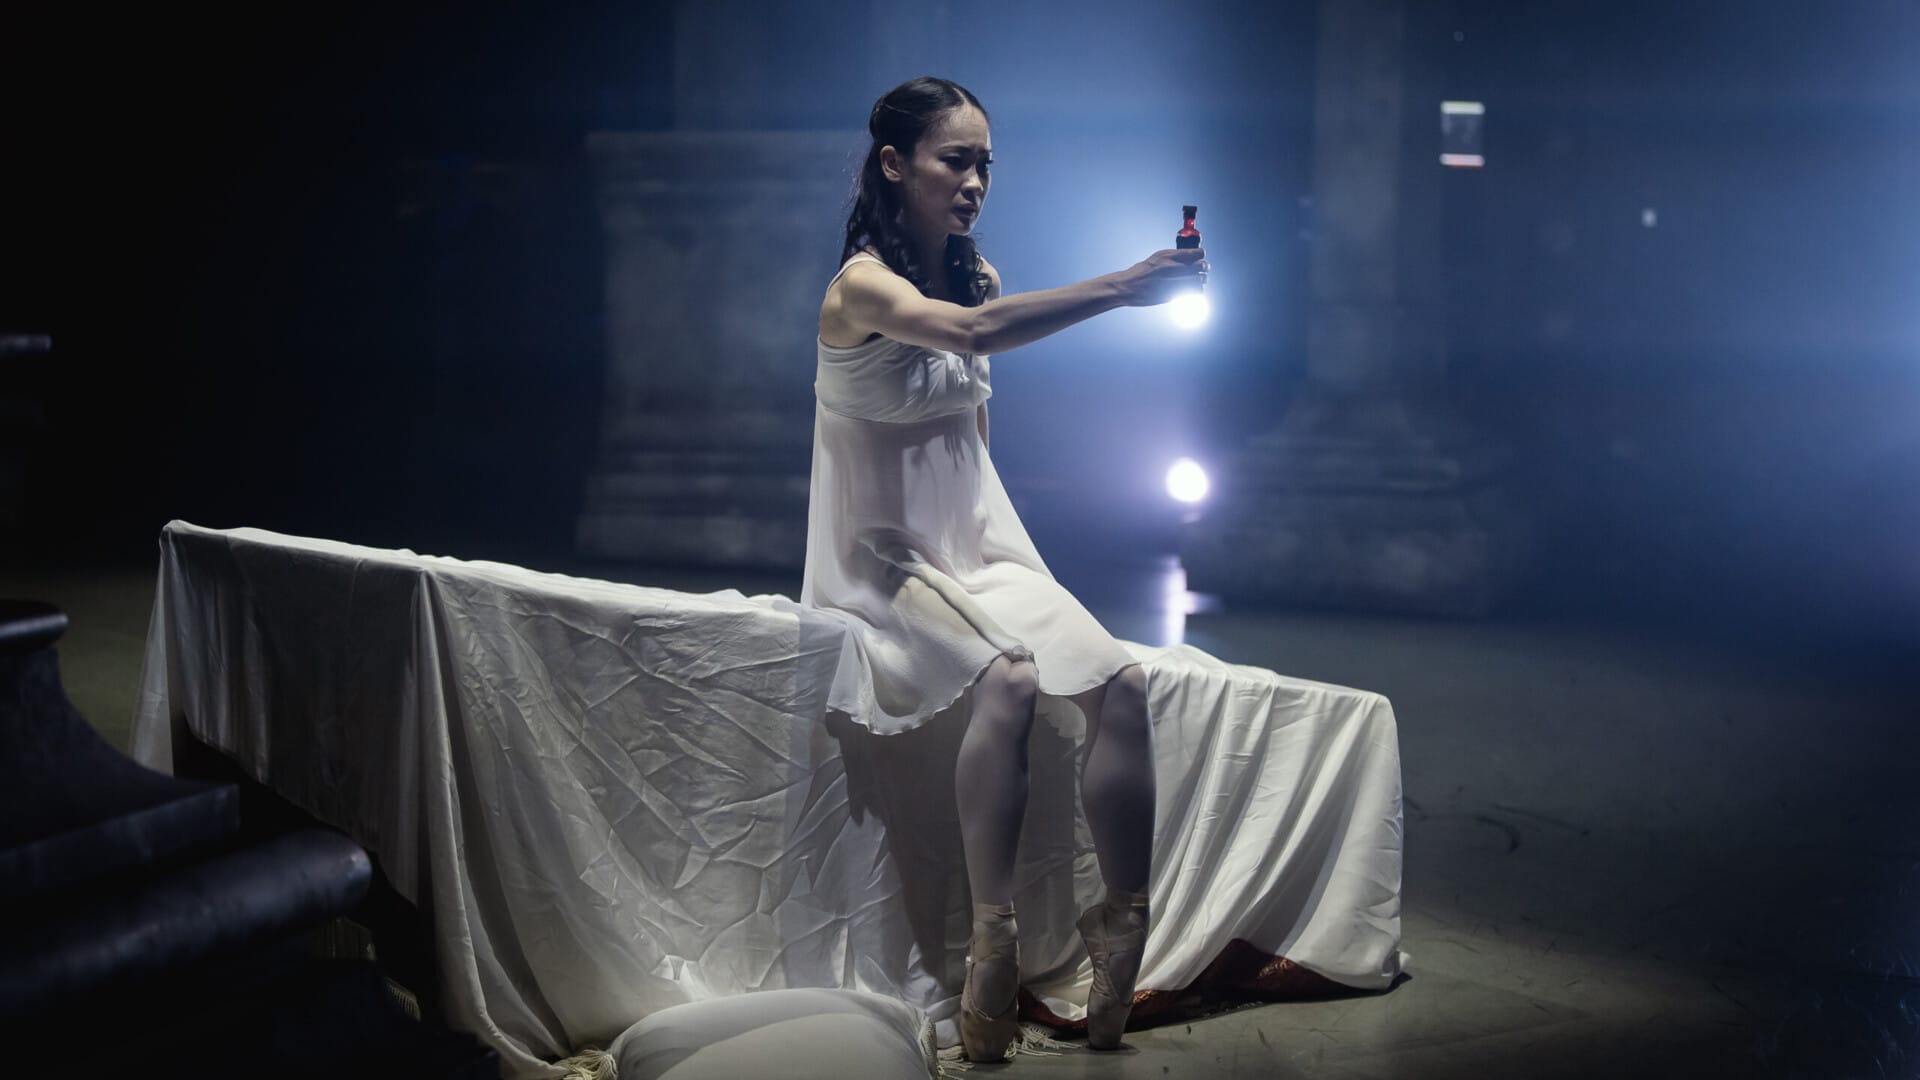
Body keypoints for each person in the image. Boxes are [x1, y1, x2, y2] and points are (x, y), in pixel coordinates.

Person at [800, 76, 1208, 1062]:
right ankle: (992, 944)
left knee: (1123, 682)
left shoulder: (977, 275)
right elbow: (971, 338)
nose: (976, 181)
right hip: (878, 553)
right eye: (955, 159)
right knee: (1011, 677)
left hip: (976, 543)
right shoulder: (861, 286)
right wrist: (1124, 286)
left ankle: (1124, 924)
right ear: (894, 165)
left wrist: (1009, 557)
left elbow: (974, 422)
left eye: (986, 162)